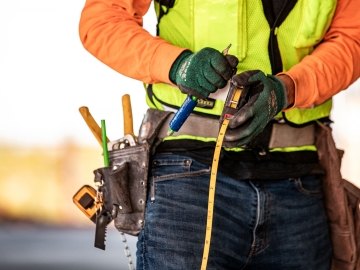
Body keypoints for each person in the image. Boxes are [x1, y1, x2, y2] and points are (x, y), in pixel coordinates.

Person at [79, 0, 360, 269]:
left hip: (299, 186)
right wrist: (178, 66)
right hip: (187, 182)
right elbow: (102, 21)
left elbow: (352, 40)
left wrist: (289, 88)